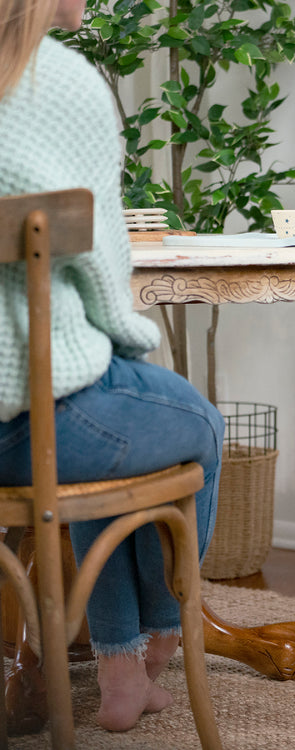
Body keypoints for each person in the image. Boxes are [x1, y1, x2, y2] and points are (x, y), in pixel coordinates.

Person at [0, 0, 224, 733]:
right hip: (43, 414)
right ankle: (159, 641)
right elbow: (97, 256)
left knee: (114, 430)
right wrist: (129, 340)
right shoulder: (56, 80)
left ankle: (121, 670)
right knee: (195, 422)